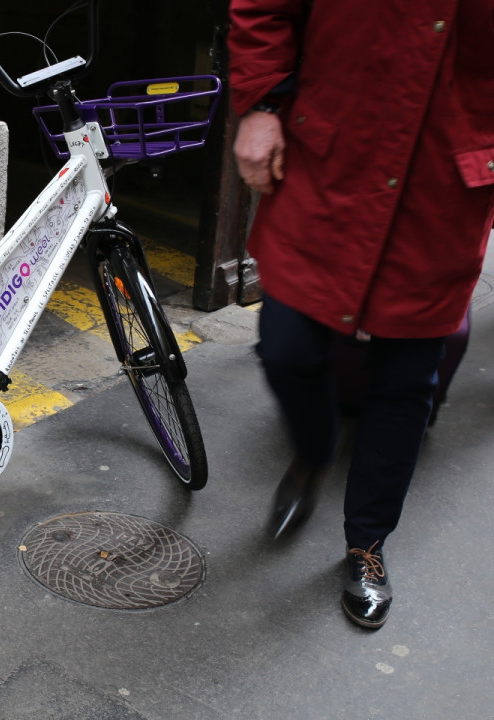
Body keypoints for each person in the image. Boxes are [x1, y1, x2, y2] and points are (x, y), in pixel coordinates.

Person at [228, 0, 494, 629]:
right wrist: (263, 104)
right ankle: (315, 451)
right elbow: (263, 8)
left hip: (443, 186)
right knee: (287, 344)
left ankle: (366, 545)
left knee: (406, 380)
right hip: (331, 158)